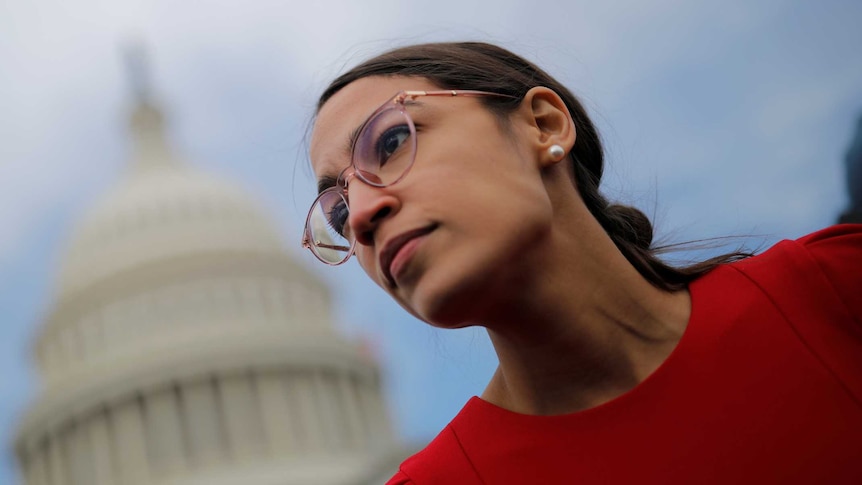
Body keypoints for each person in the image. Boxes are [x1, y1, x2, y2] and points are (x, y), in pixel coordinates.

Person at [300, 42, 862, 484]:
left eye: (393, 140)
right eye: (340, 210)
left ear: (543, 125)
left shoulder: (835, 289)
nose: (366, 213)